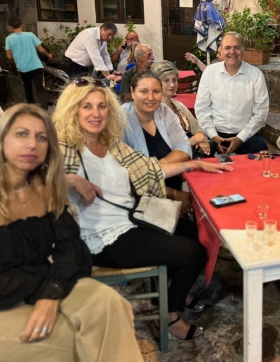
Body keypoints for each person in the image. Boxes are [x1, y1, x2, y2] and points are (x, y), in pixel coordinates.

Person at [0, 103, 143, 361]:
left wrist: (51, 293)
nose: (32, 144)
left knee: (112, 304)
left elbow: (73, 252)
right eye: (21, 134)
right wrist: (45, 290)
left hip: (35, 288)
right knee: (81, 338)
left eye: (41, 137)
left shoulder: (45, 188)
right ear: (1, 140)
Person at [53, 78, 232, 342]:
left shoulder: (109, 143)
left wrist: (193, 165)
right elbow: (30, 181)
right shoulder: (63, 147)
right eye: (86, 106)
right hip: (99, 236)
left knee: (193, 231)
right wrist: (68, 179)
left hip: (130, 217)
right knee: (192, 252)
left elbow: (150, 168)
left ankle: (172, 293)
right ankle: (169, 316)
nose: (96, 113)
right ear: (73, 110)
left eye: (101, 106)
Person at [121, 70, 191, 203]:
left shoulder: (164, 111)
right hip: (142, 200)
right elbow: (125, 175)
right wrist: (174, 194)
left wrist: (153, 169)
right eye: (144, 91)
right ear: (132, 92)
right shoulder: (120, 118)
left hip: (175, 192)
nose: (151, 97)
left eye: (156, 91)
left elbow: (183, 147)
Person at [195, 32, 269, 155]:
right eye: (227, 48)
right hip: (215, 132)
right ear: (220, 50)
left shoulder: (256, 75)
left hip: (245, 133)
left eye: (237, 47)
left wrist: (241, 138)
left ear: (243, 50)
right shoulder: (209, 72)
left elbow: (261, 112)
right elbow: (202, 108)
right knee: (199, 155)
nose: (232, 52)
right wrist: (213, 136)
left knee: (261, 152)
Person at [151, 60, 211, 157]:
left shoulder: (178, 105)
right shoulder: (152, 110)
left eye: (174, 80)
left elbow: (198, 127)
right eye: (166, 80)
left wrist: (200, 136)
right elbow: (159, 148)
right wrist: (191, 141)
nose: (172, 85)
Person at [5, 16, 50, 110]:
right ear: (21, 25)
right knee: (40, 89)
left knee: (28, 88)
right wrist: (48, 54)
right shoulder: (30, 35)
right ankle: (44, 109)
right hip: (36, 66)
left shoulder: (9, 39)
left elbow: (9, 56)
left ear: (10, 27)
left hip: (22, 68)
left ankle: (31, 109)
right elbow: (41, 49)